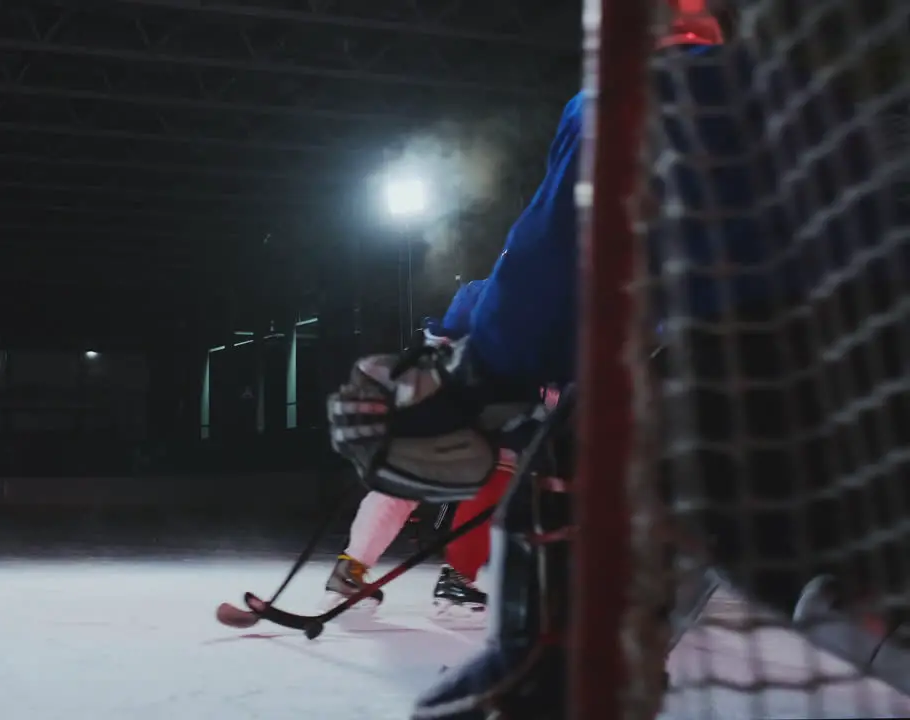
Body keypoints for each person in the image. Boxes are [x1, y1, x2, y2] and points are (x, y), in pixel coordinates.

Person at [325, 0, 909, 716]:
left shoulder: (639, 94)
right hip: (858, 365)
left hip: (808, 351)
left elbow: (549, 279)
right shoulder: (815, 107)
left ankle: (552, 673)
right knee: (746, 523)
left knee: (605, 475)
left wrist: (475, 379)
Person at [324, 279, 500, 616]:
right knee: (499, 468)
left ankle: (351, 569)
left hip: (444, 391)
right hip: (475, 399)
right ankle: (457, 578)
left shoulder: (484, 290)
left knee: (406, 476)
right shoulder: (505, 292)